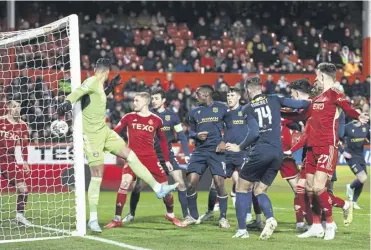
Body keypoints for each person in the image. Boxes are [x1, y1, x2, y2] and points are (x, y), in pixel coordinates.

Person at [58, 58, 178, 233]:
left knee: (130, 155)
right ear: (106, 71)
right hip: (91, 136)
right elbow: (77, 92)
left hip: (104, 131)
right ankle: (92, 219)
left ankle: (158, 188)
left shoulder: (99, 87)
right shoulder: (91, 81)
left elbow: (96, 99)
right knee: (97, 175)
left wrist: (110, 89)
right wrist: (66, 103)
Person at [225, 76, 311, 239]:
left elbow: (255, 133)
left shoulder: (248, 109)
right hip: (278, 152)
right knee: (260, 190)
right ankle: (270, 219)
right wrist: (318, 101)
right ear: (261, 87)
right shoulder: (275, 99)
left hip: (261, 150)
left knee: (241, 188)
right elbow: (302, 103)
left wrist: (239, 147)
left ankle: (242, 230)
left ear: (249, 90)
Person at [295, 63, 369, 240]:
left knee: (320, 187)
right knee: (311, 188)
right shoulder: (317, 98)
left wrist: (359, 116)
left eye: (316, 75)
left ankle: (329, 224)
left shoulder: (335, 93)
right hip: (312, 147)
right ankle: (315, 226)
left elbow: (348, 108)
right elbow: (304, 117)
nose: (315, 78)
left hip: (327, 146)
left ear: (322, 76)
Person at [104, 92, 184, 228]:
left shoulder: (157, 120)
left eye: (136, 101)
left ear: (145, 102)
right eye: (133, 100)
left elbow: (163, 142)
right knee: (124, 183)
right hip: (132, 157)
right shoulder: (128, 117)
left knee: (165, 189)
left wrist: (166, 160)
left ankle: (170, 215)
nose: (133, 103)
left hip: (151, 158)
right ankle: (117, 219)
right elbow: (115, 131)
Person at [122, 90, 190, 222]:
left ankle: (185, 215)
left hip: (167, 155)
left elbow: (181, 135)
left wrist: (186, 153)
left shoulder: (173, 116)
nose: (153, 100)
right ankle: (131, 214)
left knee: (180, 182)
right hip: (149, 155)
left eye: (156, 98)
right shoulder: (147, 114)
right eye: (152, 98)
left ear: (164, 100)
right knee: (138, 186)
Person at [198, 88, 250, 223]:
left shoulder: (246, 111)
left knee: (243, 184)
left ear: (239, 97)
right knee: (214, 184)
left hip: (241, 152)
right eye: (228, 95)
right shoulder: (224, 113)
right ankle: (210, 211)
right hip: (225, 153)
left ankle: (248, 213)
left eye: (232, 95)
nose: (229, 97)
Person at [182, 85, 230, 228]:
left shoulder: (222, 108)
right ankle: (193, 216)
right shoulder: (194, 112)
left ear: (206, 94)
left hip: (217, 151)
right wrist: (196, 135)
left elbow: (231, 127)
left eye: (197, 94)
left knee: (219, 183)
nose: (195, 97)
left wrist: (223, 141)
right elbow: (190, 133)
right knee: (190, 184)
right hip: (200, 151)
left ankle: (223, 217)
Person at [0, 100, 30, 226]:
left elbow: (24, 146)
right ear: (9, 108)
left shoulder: (23, 125)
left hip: (9, 160)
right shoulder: (1, 120)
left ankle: (19, 216)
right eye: (15, 107)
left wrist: (25, 162)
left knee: (23, 189)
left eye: (19, 107)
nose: (17, 109)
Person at [343, 108, 370, 209]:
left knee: (362, 180)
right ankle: (349, 186)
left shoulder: (366, 127)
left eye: (367, 119)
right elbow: (336, 138)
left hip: (361, 156)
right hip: (351, 156)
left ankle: (354, 201)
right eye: (364, 118)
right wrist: (343, 152)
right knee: (362, 178)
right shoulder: (347, 127)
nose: (366, 120)